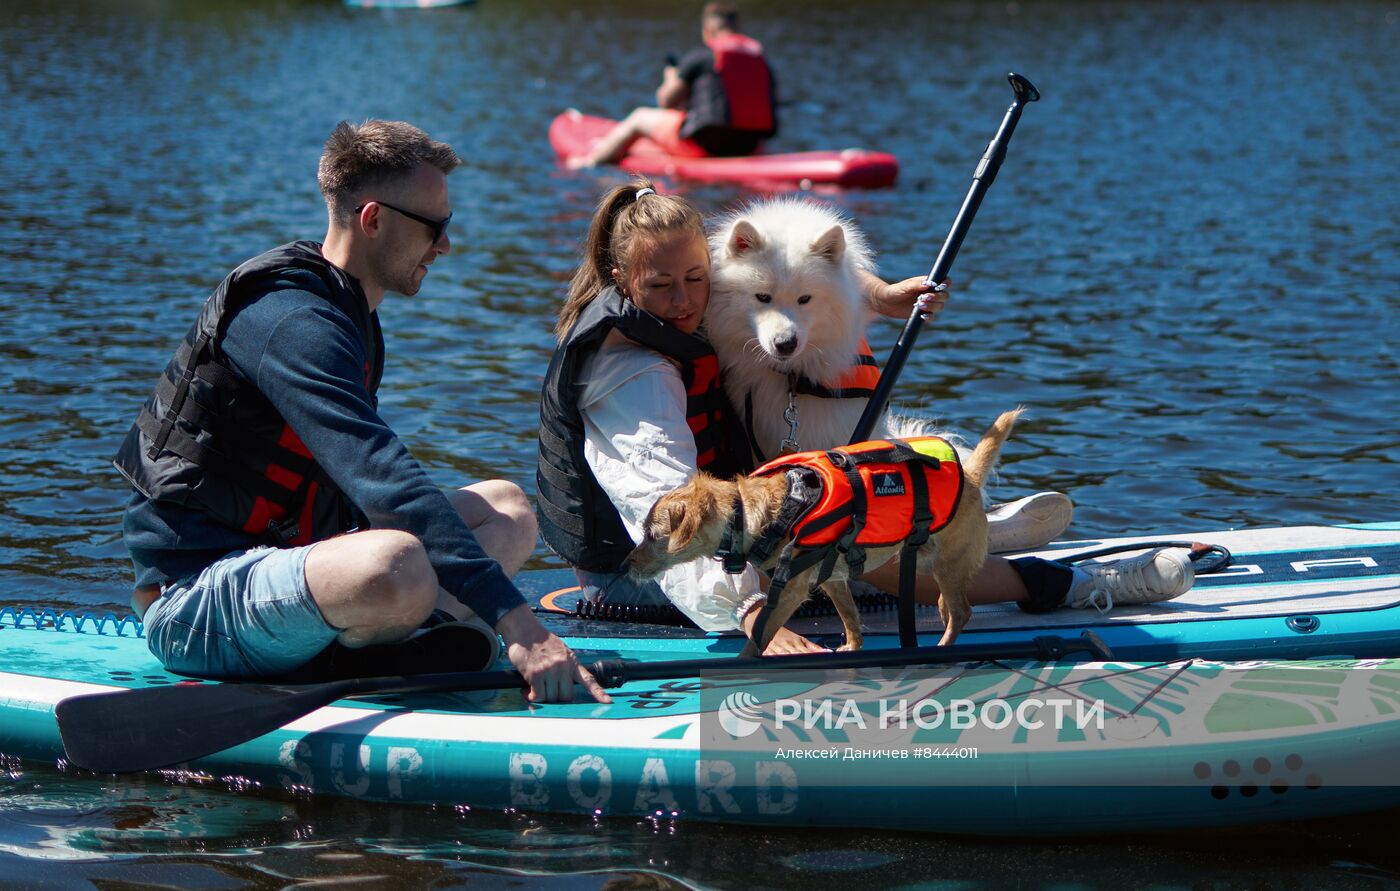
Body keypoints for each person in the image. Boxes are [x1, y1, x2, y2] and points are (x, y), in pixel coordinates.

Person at [536, 180, 1196, 654]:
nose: (685, 300)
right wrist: (752, 609)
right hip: (641, 581)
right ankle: (1068, 584)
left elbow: (804, 280)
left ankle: (971, 528)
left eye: (695, 278)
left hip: (703, 548)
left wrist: (880, 296)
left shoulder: (687, 312)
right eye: (661, 286)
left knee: (848, 503)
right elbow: (666, 510)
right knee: (849, 527)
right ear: (622, 280)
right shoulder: (632, 377)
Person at [115, 119, 608, 704]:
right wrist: (521, 628)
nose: (446, 244)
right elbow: (383, 477)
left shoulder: (351, 316)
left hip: (292, 573)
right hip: (193, 603)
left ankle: (410, 642)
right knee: (394, 563)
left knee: (507, 510)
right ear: (373, 219)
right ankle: (398, 652)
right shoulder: (290, 322)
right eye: (435, 227)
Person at [567, 2, 778, 169]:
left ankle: (591, 162)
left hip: (705, 145)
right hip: (749, 145)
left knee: (639, 117)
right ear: (736, 28)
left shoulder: (702, 56)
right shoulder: (760, 59)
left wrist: (670, 78)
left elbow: (665, 101)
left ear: (709, 29)